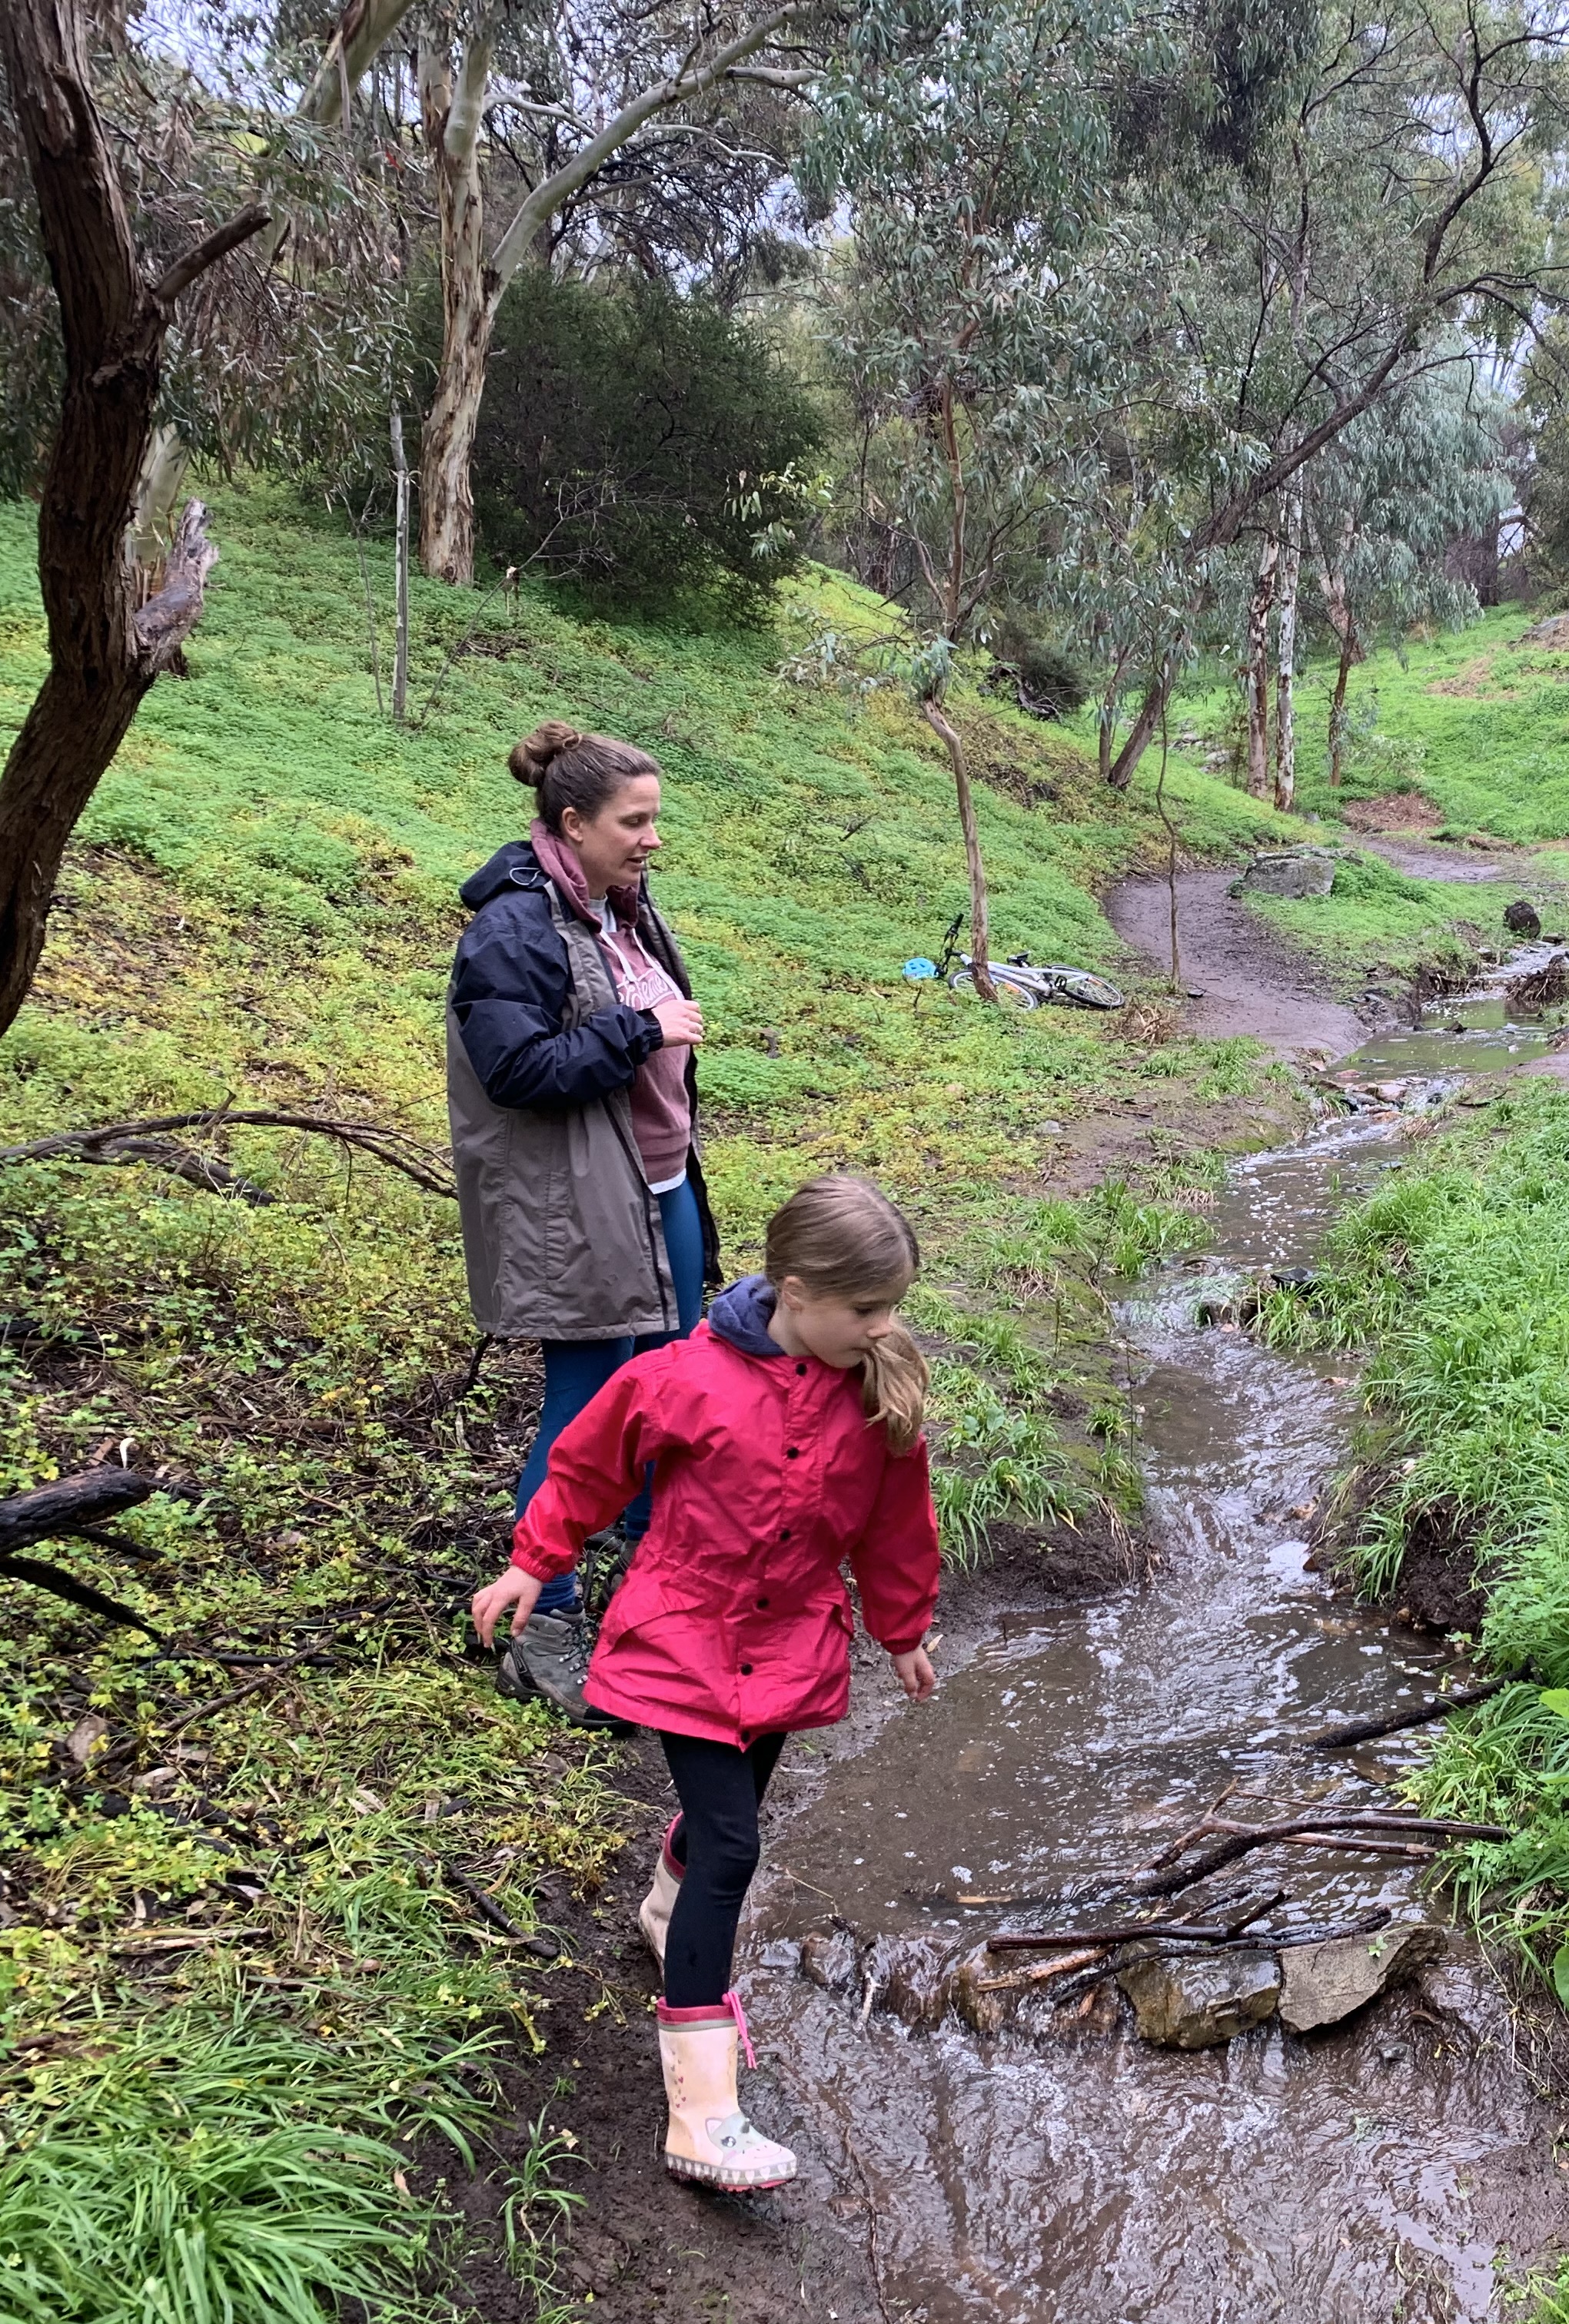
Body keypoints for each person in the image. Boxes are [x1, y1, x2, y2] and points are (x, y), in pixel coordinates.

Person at [470, 1176, 942, 2192]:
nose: (885, 1326)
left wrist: (901, 1629)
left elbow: (896, 1521)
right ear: (796, 1290)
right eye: (867, 1310)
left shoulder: (875, 1390)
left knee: (725, 1818)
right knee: (733, 1843)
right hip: (681, 1636)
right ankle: (702, 2113)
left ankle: (662, 1914)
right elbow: (587, 1467)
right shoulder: (683, 1378)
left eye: (891, 1306)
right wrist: (532, 1561)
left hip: (792, 1643)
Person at [448, 721, 719, 1718]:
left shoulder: (618, 906)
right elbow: (516, 1071)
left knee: (670, 1381)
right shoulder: (514, 930)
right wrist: (640, 1029)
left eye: (655, 820)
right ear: (573, 822)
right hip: (582, 1207)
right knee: (586, 1410)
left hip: (658, 1189)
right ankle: (542, 1619)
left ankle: (658, 1572)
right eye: (633, 822)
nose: (652, 839)